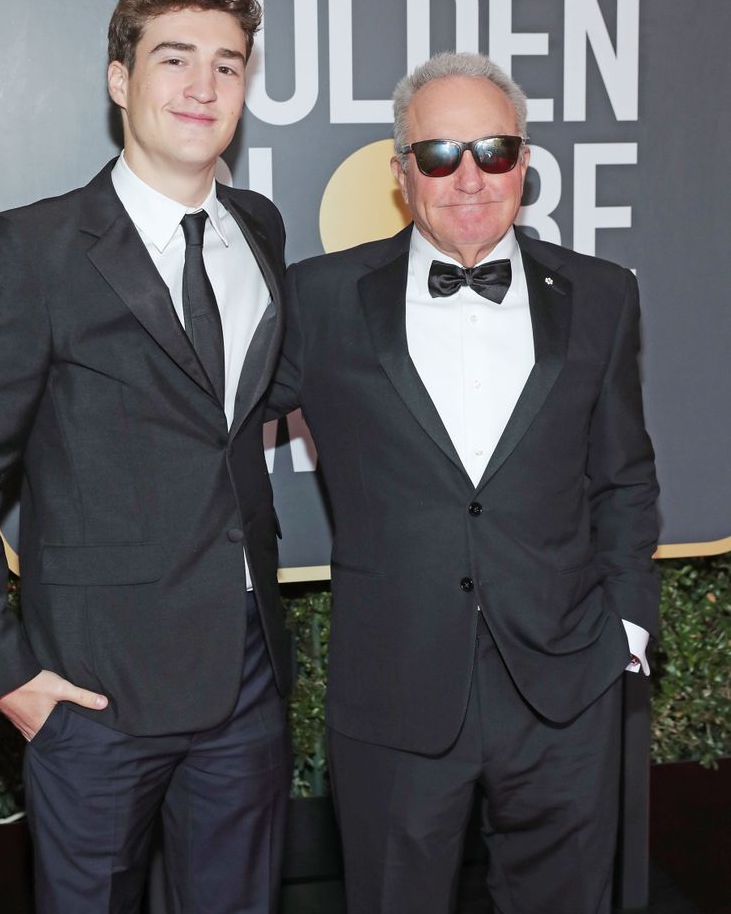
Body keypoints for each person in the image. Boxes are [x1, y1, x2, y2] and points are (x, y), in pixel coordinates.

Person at [0, 0, 291, 913]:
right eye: (174, 60)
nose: (203, 87)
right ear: (120, 80)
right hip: (93, 694)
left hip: (245, 677)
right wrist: (8, 679)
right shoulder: (32, 249)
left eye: (227, 64)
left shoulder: (259, 227)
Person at [268, 52, 659, 914]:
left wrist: (625, 631)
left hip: (566, 686)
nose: (470, 178)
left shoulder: (599, 295)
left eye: (493, 150)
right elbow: (200, 427)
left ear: (524, 160)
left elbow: (624, 475)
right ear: (402, 172)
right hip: (397, 688)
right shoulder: (320, 298)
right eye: (440, 155)